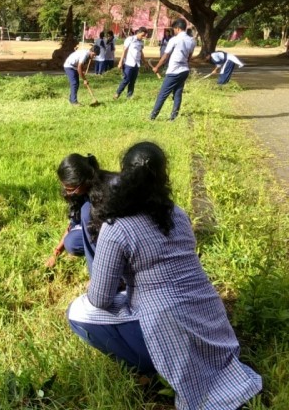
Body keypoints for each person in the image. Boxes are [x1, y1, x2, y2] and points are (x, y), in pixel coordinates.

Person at [67, 141, 262, 409]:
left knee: (78, 311)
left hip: (163, 320)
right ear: (163, 177)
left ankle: (146, 363)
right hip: (208, 314)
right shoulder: (177, 213)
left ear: (123, 175)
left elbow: (100, 299)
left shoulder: (117, 227)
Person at [46, 153, 117, 272]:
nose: (68, 193)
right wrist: (56, 252)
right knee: (71, 242)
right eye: (65, 188)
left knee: (86, 213)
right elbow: (73, 223)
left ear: (85, 181)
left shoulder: (108, 191)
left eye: (71, 189)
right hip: (98, 228)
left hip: (116, 233)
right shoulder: (81, 192)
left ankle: (102, 271)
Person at [150, 18, 196, 121]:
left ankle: (153, 116)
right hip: (184, 70)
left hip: (174, 71)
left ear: (178, 28)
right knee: (178, 93)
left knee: (162, 94)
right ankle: (173, 117)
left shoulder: (174, 40)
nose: (174, 31)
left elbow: (165, 56)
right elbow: (189, 57)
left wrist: (157, 67)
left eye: (174, 29)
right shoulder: (192, 41)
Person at [114, 27, 148, 100]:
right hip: (129, 63)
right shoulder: (130, 39)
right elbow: (124, 51)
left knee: (132, 81)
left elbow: (141, 52)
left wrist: (145, 62)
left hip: (136, 64)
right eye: (142, 35)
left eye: (144, 35)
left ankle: (129, 96)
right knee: (126, 79)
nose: (143, 37)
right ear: (138, 33)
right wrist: (120, 62)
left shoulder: (141, 42)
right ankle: (117, 93)